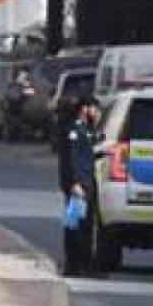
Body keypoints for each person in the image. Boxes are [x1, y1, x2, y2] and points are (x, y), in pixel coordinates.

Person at [56, 99, 103, 277]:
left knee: (87, 225)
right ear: (84, 109)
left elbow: (89, 152)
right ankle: (73, 265)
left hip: (87, 182)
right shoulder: (74, 131)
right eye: (94, 109)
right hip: (79, 185)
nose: (96, 113)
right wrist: (74, 183)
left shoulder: (86, 130)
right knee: (75, 225)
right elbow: (72, 159)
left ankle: (85, 263)